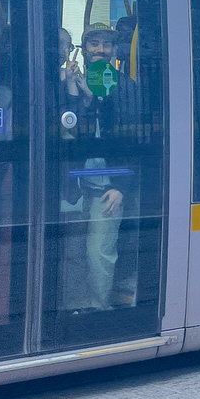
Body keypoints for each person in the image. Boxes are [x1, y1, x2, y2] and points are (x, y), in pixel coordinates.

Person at [61, 21, 139, 311]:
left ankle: (99, 313)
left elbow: (134, 139)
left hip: (108, 188)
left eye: (106, 44)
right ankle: (77, 308)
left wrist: (121, 185)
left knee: (99, 253)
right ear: (84, 50)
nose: (100, 49)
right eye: (94, 43)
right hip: (77, 185)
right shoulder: (74, 84)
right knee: (74, 254)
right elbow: (65, 133)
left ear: (115, 50)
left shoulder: (126, 87)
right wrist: (75, 94)